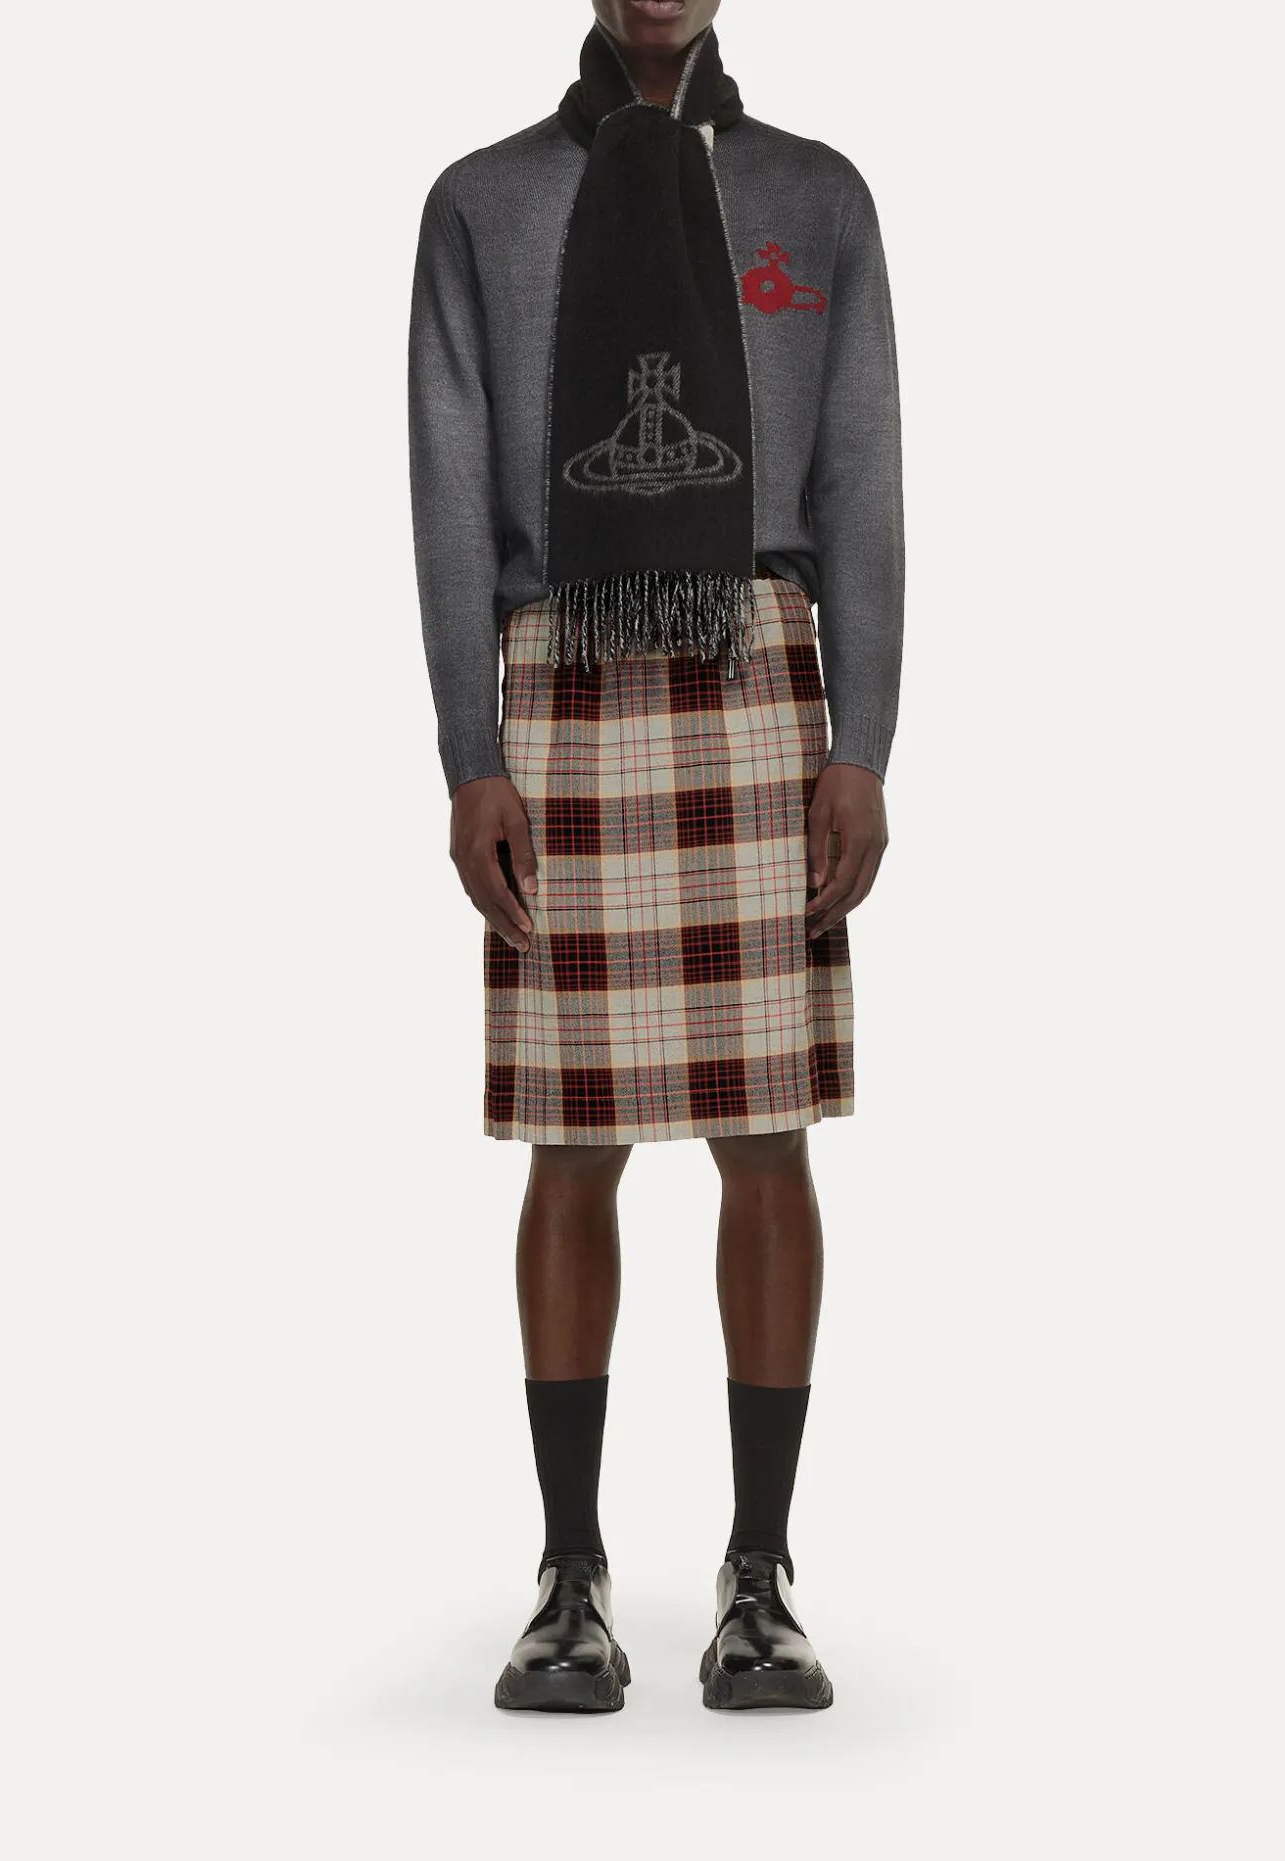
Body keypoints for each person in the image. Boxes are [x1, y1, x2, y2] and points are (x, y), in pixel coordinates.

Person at [407, 0, 902, 1712]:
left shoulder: (814, 196)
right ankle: (570, 1576)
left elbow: (860, 475)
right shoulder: (482, 202)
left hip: (758, 675)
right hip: (558, 674)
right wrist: (469, 753)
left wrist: (863, 743)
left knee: (768, 1138)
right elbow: (449, 488)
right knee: (571, 1145)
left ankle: (760, 1577)